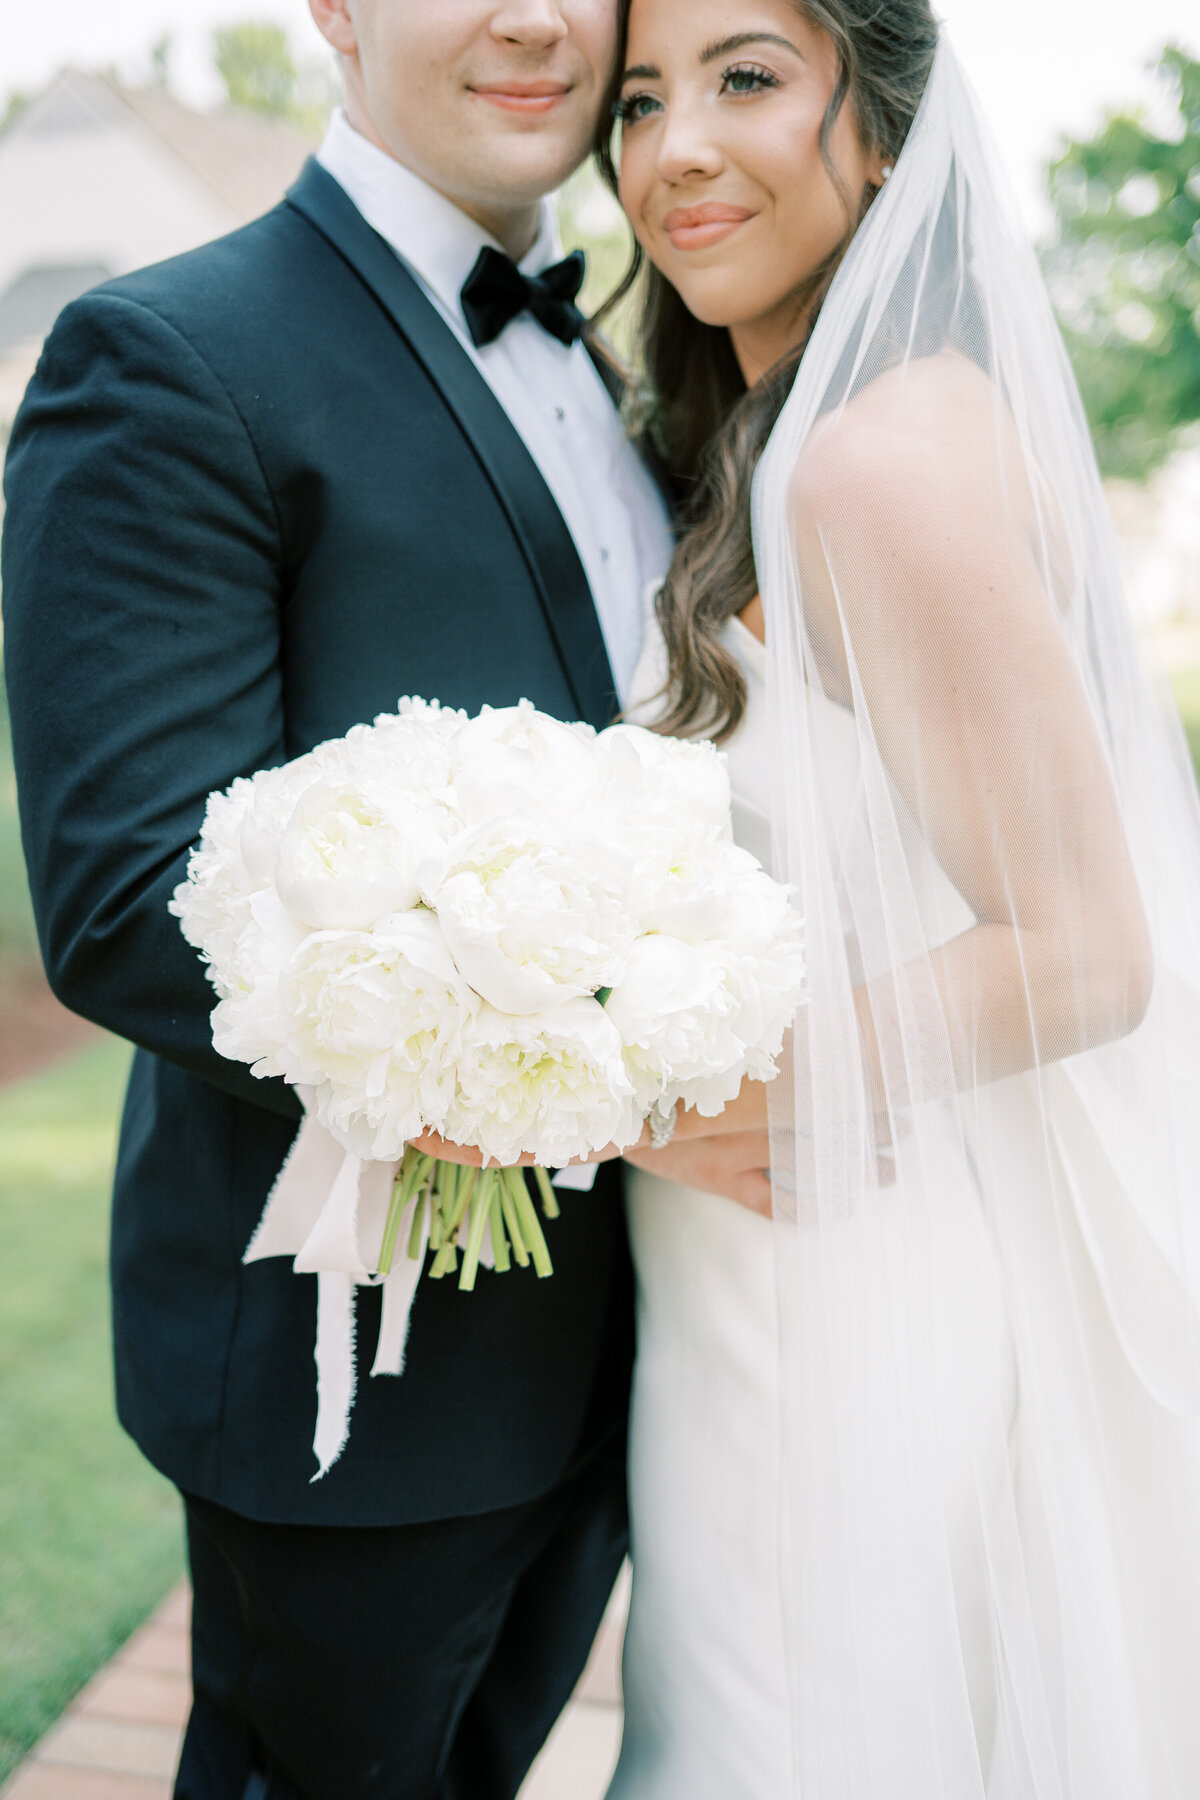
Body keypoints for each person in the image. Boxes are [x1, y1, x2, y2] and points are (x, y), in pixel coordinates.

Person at [1, 4, 692, 1796]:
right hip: (354, 1369)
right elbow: (127, 899)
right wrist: (602, 1063)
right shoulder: (166, 355)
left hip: (647, 1332)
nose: (537, 17)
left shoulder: (647, 346)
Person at [600, 0, 1200, 1794]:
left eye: (749, 78)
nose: (676, 145)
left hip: (847, 1277)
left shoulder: (876, 459)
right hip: (783, 1256)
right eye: (641, 100)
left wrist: (651, 1090)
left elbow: (1087, 950)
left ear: (883, 130)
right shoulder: (819, 434)